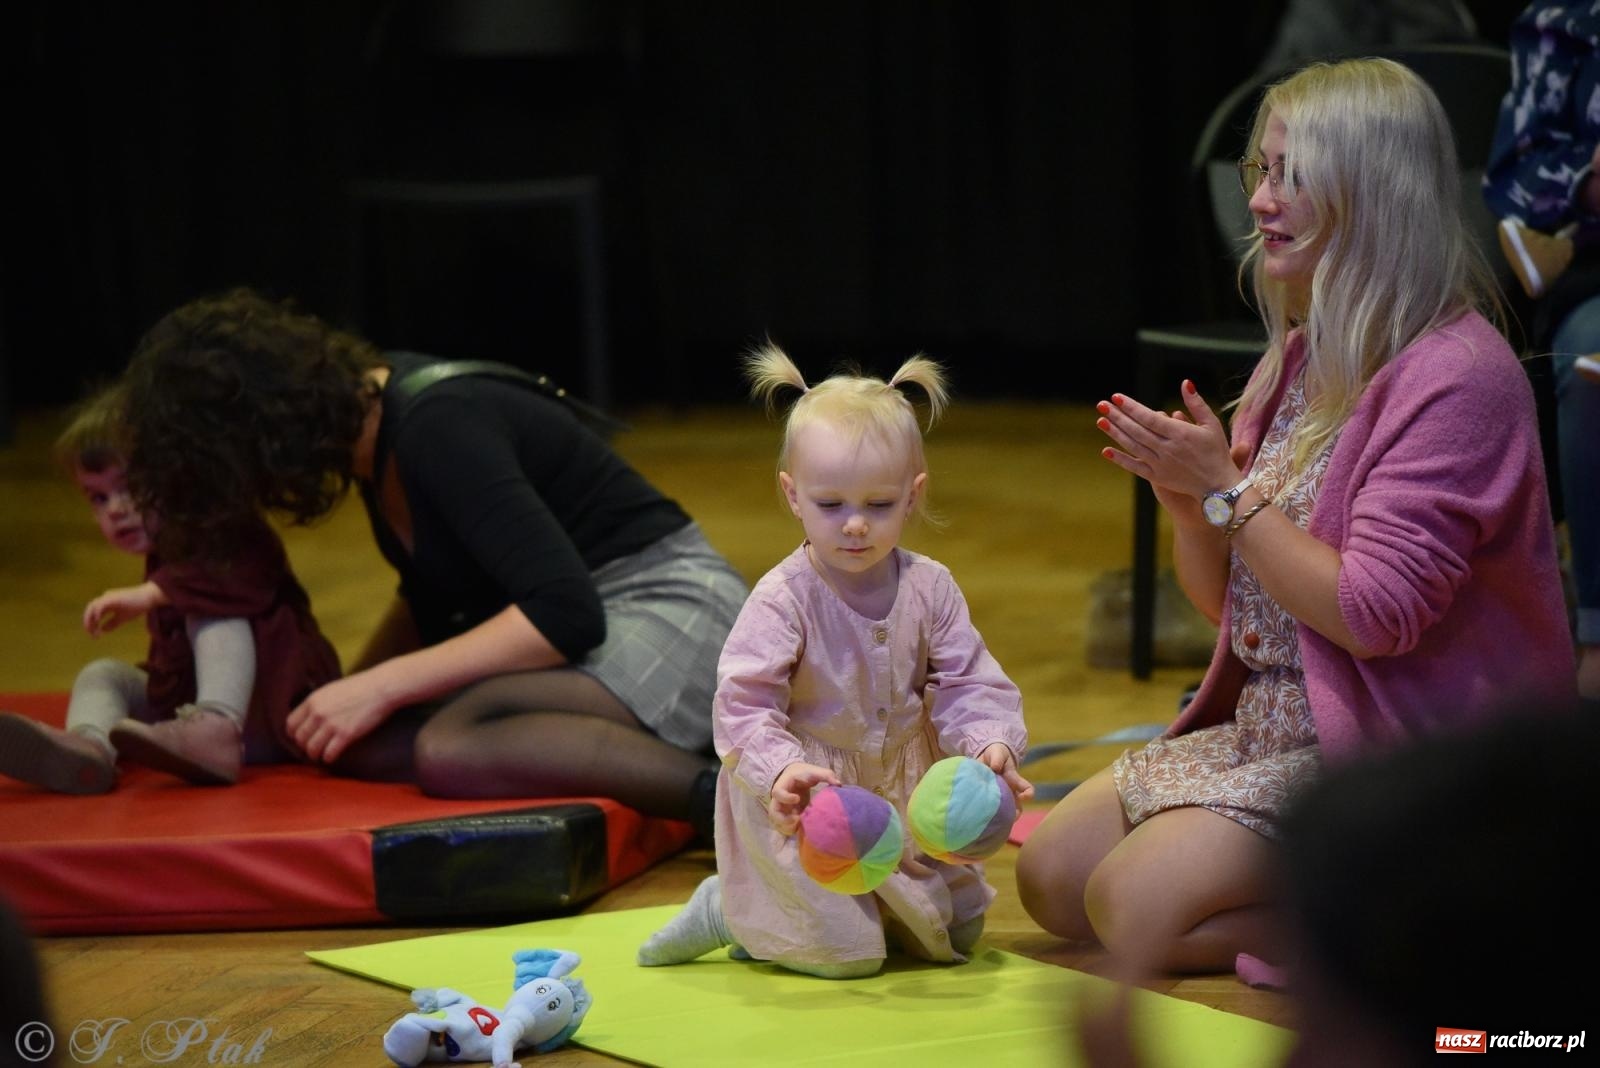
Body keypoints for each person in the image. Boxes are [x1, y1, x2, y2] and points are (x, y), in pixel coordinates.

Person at [1016, 57, 1575, 975]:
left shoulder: (1460, 377)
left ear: (1374, 193)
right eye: (1262, 170)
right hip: (1281, 724)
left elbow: (1372, 616)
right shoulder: (1305, 354)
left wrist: (1232, 499)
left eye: (1293, 176)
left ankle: (1416, 922)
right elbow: (1240, 613)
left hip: (1401, 752)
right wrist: (1192, 511)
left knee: (1129, 907)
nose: (1260, 201)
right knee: (1051, 879)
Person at [114, 287, 749, 833]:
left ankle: (738, 808)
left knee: (451, 744)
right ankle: (642, 759)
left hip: (675, 606)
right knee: (355, 742)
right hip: (596, 617)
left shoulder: (434, 425)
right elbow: (430, 599)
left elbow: (566, 614)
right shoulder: (374, 438)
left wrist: (379, 685)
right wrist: (343, 695)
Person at [635, 344, 1032, 979]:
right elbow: (743, 705)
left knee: (957, 931)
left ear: (912, 496)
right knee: (848, 958)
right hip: (811, 799)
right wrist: (782, 770)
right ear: (793, 495)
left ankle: (842, 906)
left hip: (900, 789)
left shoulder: (931, 586)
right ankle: (732, 907)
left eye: (878, 505)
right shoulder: (783, 598)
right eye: (831, 505)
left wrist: (990, 743)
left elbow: (970, 678)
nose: (854, 526)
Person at [0, 386, 341, 793]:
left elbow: (230, 580)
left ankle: (216, 727)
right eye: (99, 497)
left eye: (130, 487)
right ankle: (89, 749)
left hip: (275, 709)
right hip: (190, 708)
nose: (115, 509)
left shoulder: (230, 527)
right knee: (103, 673)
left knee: (212, 609)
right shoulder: (165, 554)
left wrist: (151, 594)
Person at [1482, 1, 1600, 702]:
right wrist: (1588, 177)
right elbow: (1514, 171)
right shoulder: (1568, 17)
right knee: (1589, 356)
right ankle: (1595, 640)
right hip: (1591, 276)